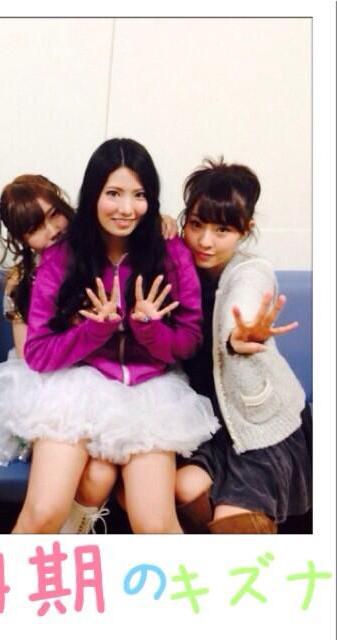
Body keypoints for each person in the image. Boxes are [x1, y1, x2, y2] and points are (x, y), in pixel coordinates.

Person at [12, 137, 219, 534]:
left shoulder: (172, 253)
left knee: (155, 524)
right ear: (93, 194)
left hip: (151, 391)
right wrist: (94, 331)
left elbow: (189, 341)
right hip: (77, 385)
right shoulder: (62, 257)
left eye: (139, 195)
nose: (127, 208)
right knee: (42, 512)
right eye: (114, 193)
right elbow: (37, 353)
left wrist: (149, 330)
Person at [174, 159, 312, 534]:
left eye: (222, 229)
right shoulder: (176, 265)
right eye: (196, 225)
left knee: (235, 523)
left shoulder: (250, 272)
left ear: (244, 230)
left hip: (257, 425)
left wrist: (238, 337)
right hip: (208, 422)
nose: (205, 241)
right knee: (183, 489)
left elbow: (244, 303)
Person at [0, 175, 74, 465]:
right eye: (36, 228)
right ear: (21, 239)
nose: (52, 231)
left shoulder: (92, 251)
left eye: (55, 215)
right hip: (46, 373)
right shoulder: (20, 280)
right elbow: (26, 352)